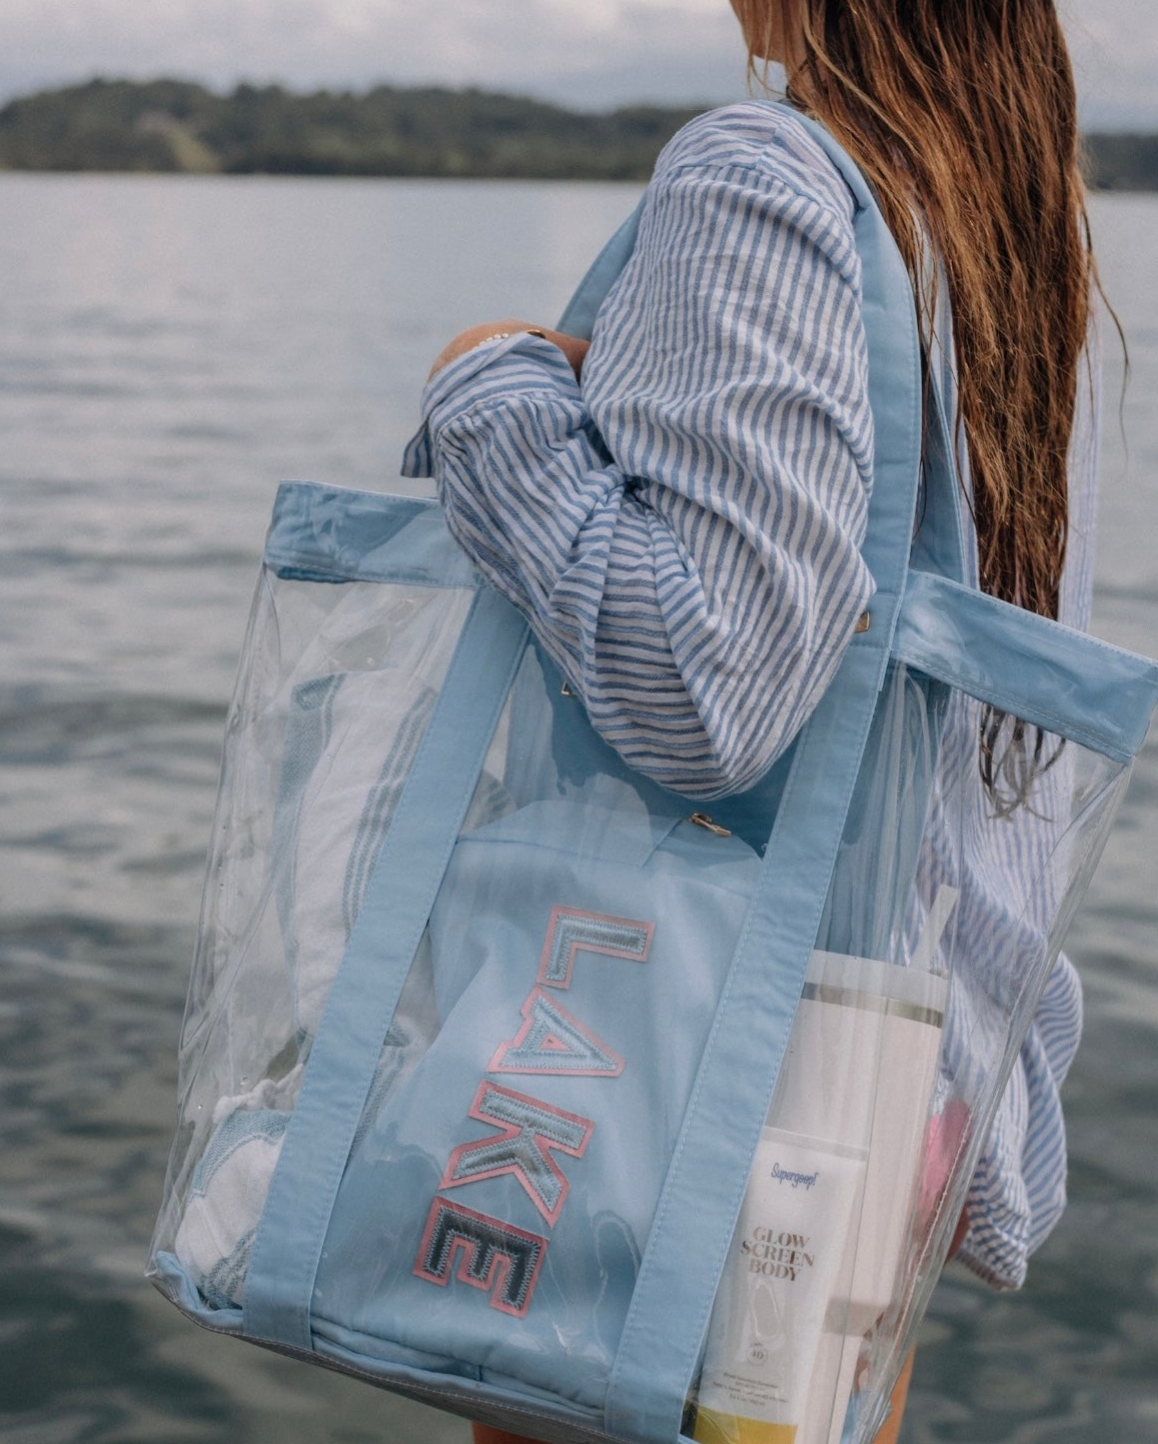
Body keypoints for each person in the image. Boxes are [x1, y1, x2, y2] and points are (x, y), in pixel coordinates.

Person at [403, 1, 1101, 1439]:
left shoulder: (761, 174)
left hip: (666, 1082)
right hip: (869, 1091)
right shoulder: (998, 221)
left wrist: (491, 386)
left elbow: (699, 688)